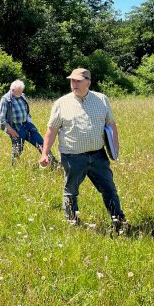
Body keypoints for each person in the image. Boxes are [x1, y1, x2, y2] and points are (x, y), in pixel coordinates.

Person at [39, 68, 128, 232]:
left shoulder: (101, 100)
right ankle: (72, 221)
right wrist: (45, 153)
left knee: (109, 189)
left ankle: (119, 221)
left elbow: (111, 125)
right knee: (71, 191)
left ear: (88, 82)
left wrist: (115, 148)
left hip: (98, 156)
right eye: (72, 80)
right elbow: (51, 130)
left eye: (78, 81)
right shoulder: (61, 103)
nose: (74, 84)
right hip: (73, 157)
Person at [0, 80, 58, 166]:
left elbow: (26, 111)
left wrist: (29, 121)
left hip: (27, 125)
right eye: (18, 91)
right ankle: (14, 168)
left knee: (41, 143)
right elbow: (2, 118)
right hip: (16, 128)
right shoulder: (6, 100)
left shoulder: (22, 96)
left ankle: (53, 163)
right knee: (18, 149)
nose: (20, 93)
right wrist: (11, 130)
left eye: (21, 91)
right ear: (12, 89)